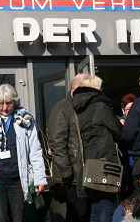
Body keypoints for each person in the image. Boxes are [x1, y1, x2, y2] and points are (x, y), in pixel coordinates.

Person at [0, 84, 47, 222]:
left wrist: (40, 178)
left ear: (15, 102)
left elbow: (35, 151)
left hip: (18, 180)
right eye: (1, 103)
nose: (5, 108)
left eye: (8, 103)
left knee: (19, 218)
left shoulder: (26, 120)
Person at [70, 73, 123, 222]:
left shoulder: (76, 106)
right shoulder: (100, 106)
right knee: (106, 207)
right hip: (104, 164)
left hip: (86, 164)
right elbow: (118, 131)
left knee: (94, 209)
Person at [47, 74, 87, 222]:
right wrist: (67, 173)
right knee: (74, 213)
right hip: (72, 176)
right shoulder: (62, 108)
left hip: (82, 174)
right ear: (75, 89)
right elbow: (57, 143)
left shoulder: (81, 107)